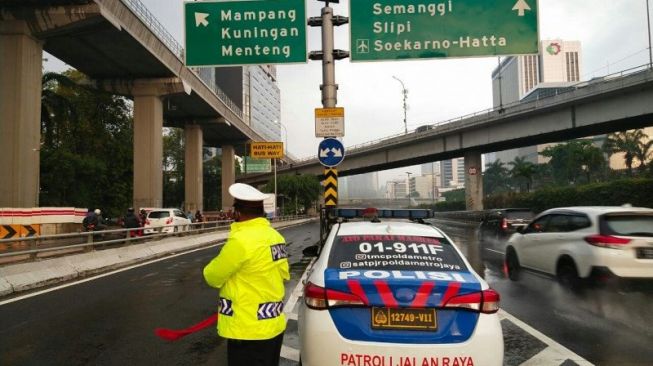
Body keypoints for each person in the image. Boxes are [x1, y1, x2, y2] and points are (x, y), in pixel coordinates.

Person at [203, 183, 289, 366]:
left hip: (247, 330)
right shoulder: (276, 238)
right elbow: (284, 274)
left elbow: (212, 276)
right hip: (273, 326)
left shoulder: (241, 242)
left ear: (238, 213)